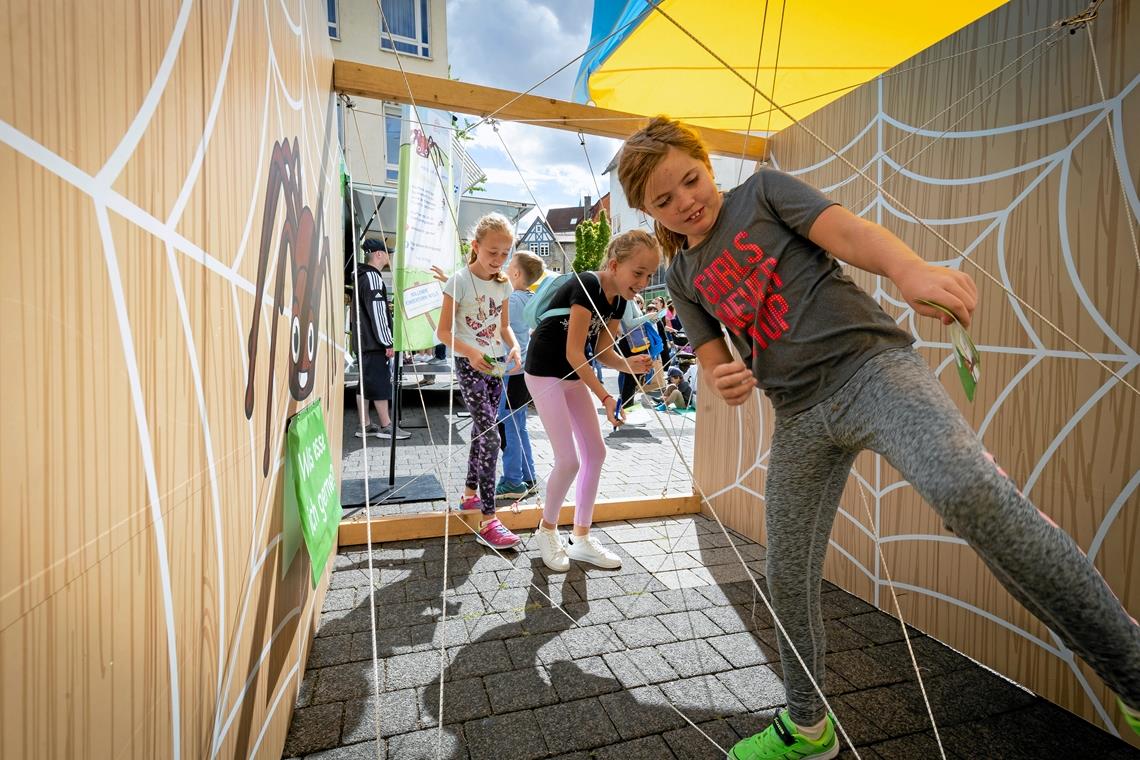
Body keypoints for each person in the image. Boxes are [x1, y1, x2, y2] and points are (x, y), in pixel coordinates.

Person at [618, 116, 1140, 759]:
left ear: (707, 164)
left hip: (872, 368)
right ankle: (807, 727)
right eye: (663, 202)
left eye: (691, 181)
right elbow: (709, 350)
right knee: (785, 572)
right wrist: (722, 377)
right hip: (800, 414)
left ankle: (1132, 671)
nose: (685, 203)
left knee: (967, 488)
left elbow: (847, 231)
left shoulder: (764, 192)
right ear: (648, 212)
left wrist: (908, 270)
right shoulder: (680, 275)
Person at [524, 230, 658, 571]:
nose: (644, 281)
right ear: (614, 265)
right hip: (543, 372)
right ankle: (547, 530)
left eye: (650, 275)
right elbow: (573, 352)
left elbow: (601, 351)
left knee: (595, 452)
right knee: (568, 460)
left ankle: (581, 538)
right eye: (638, 273)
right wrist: (604, 395)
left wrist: (629, 364)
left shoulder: (619, 301)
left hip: (570, 375)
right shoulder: (588, 285)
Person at [437, 213, 524, 550]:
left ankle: (470, 495)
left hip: (495, 367)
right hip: (470, 366)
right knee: (490, 436)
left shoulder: (502, 284)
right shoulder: (458, 281)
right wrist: (471, 353)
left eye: (505, 253)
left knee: (480, 432)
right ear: (475, 246)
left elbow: (503, 327)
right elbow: (443, 332)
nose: (499, 260)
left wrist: (513, 344)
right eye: (492, 252)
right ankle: (489, 519)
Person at [495, 249, 544, 500]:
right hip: (524, 370)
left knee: (508, 425)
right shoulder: (532, 298)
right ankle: (528, 476)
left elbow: (496, 329)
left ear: (515, 273)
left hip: (511, 370)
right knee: (519, 424)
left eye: (508, 264)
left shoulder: (512, 301)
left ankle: (512, 480)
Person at [351, 240, 409, 440]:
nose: (389, 257)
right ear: (378, 254)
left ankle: (365, 425)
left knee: (365, 383)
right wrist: (387, 341)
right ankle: (387, 427)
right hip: (374, 343)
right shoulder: (373, 278)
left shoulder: (359, 276)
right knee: (380, 383)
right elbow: (378, 314)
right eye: (387, 253)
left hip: (363, 342)